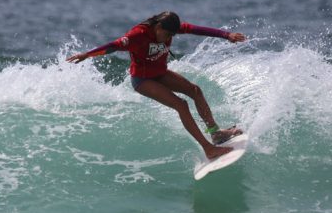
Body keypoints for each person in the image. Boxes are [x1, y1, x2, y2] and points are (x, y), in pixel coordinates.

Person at [66, 11, 246, 159]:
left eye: (172, 35)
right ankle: (208, 148)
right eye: (167, 35)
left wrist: (226, 35)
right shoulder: (138, 35)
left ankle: (216, 133)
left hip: (160, 73)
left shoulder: (168, 27)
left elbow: (196, 29)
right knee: (181, 105)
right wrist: (88, 55)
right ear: (158, 27)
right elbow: (114, 45)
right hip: (143, 80)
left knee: (195, 91)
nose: (168, 38)